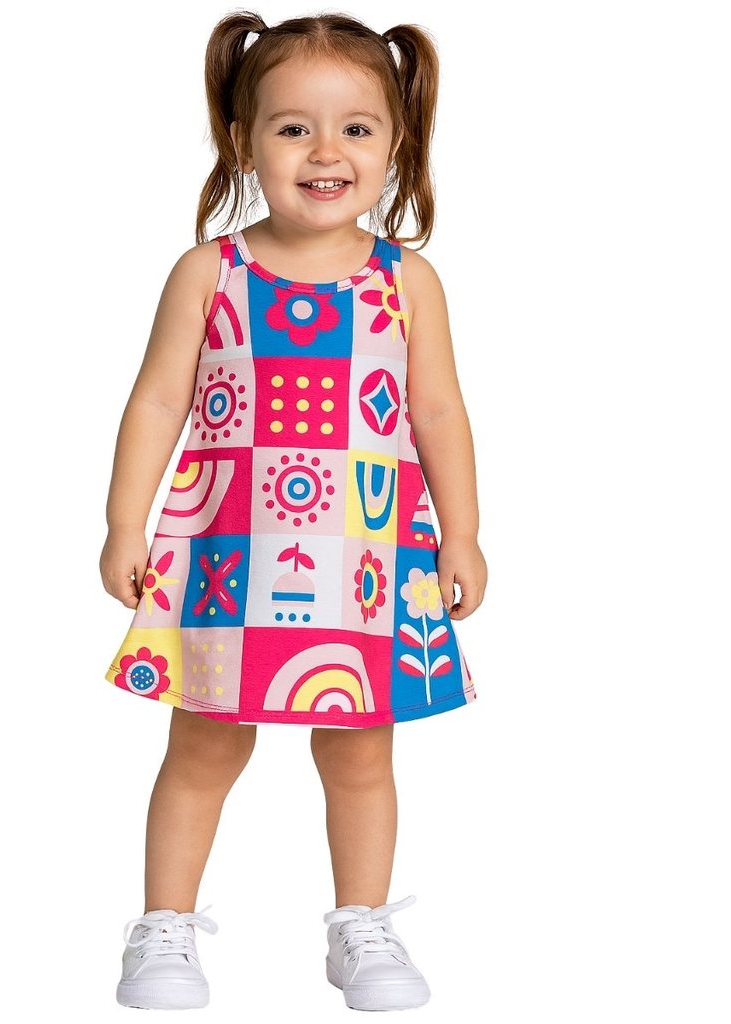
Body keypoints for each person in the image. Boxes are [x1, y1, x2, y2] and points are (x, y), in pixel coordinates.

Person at [99, 9, 487, 1012]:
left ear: (396, 144)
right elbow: (157, 401)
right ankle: (164, 926)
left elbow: (438, 411)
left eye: (356, 128)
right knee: (204, 743)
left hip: (367, 555)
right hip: (229, 553)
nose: (325, 152)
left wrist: (463, 533)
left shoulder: (408, 280)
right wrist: (124, 524)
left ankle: (361, 924)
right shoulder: (209, 273)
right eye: (292, 128)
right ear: (243, 142)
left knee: (361, 748)